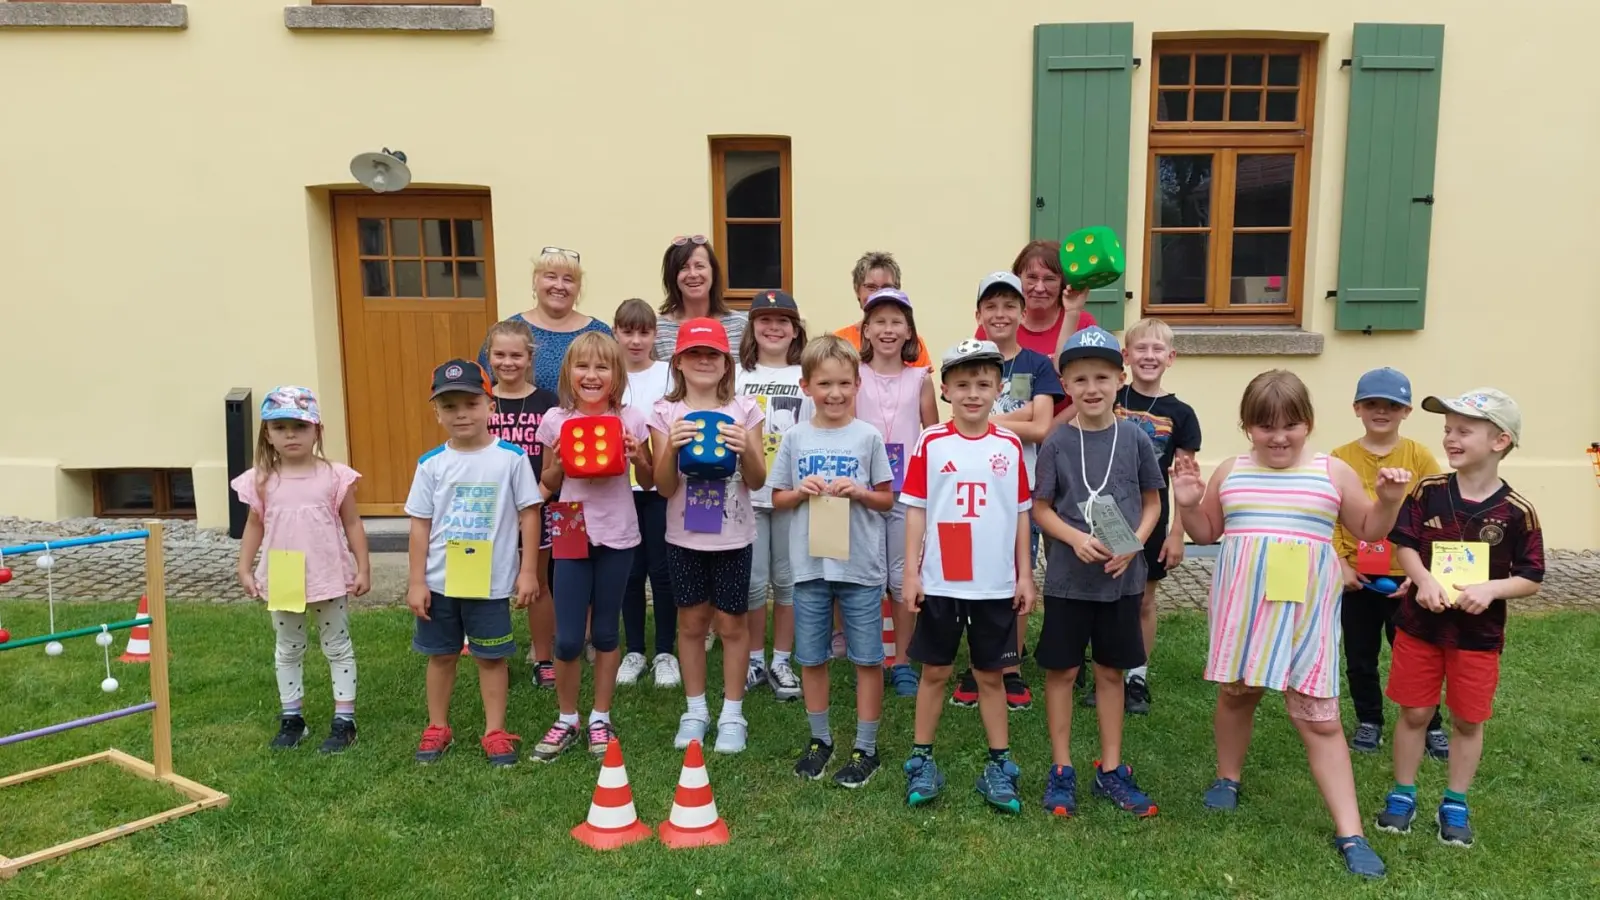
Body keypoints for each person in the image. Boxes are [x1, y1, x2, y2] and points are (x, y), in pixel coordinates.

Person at [1171, 369, 1409, 879]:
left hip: (1305, 613)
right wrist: (1187, 505)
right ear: (1246, 427)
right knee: (1237, 693)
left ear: (1309, 424)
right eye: (1265, 426)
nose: (1278, 437)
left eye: (1290, 425)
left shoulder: (1333, 471)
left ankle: (1351, 832)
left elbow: (1368, 528)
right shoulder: (1231, 470)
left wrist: (1388, 500)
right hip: (1244, 607)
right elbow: (1207, 531)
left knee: (1319, 717)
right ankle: (1227, 777)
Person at [1375, 389, 1543, 850]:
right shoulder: (1428, 492)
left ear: (1500, 440)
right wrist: (1422, 578)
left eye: (1463, 430)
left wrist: (1492, 589)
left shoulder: (1517, 512)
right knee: (1415, 711)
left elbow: (1531, 575)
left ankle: (1455, 800)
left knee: (1468, 720)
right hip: (1420, 628)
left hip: (1477, 637)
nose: (1450, 437)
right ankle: (1403, 792)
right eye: (1447, 429)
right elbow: (1404, 543)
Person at [1032, 326, 1164, 818]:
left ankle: (1111, 768)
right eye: (1081, 378)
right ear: (1065, 382)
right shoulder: (1057, 442)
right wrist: (1074, 537)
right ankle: (1062, 767)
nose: (1092, 388)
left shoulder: (1134, 438)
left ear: (1119, 378)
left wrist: (1133, 544)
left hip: (1120, 579)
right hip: (1070, 579)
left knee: (1111, 670)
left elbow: (1152, 502)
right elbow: (1041, 508)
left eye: (1102, 377)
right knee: (1063, 670)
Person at [900, 339, 1034, 812]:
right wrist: (912, 573)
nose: (973, 393)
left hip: (994, 582)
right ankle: (920, 758)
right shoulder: (931, 441)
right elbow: (916, 510)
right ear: (946, 390)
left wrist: (1025, 575)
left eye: (983, 384)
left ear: (999, 388)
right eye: (962, 384)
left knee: (991, 674)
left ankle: (999, 763)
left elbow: (1021, 512)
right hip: (939, 581)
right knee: (934, 670)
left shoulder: (1009, 444)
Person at [770, 335, 895, 787]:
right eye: (824, 384)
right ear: (806, 386)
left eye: (844, 383)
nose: (835, 393)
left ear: (858, 384)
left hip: (859, 568)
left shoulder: (868, 436)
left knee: (866, 659)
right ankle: (820, 739)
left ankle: (866, 747)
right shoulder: (796, 437)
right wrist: (799, 492)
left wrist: (860, 492)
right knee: (812, 657)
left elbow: (886, 499)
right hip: (810, 569)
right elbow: (778, 497)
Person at [405, 360, 542, 766]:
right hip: (442, 582)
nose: (461, 414)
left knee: (491, 657)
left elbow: (529, 513)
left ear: (491, 406)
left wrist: (529, 569)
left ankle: (495, 731)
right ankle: (437, 727)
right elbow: (420, 525)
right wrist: (417, 582)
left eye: (470, 402)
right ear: (436, 413)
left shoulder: (511, 459)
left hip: (491, 582)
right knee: (442, 654)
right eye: (449, 407)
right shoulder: (431, 464)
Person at [530, 332, 654, 761]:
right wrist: (561, 464)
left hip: (617, 528)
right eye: (583, 366)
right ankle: (567, 718)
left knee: (604, 631)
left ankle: (600, 716)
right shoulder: (555, 420)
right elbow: (546, 484)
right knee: (566, 639)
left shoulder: (632, 419)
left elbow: (652, 481)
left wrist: (639, 457)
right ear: (569, 373)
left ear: (617, 375)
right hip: (570, 524)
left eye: (603, 367)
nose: (592, 375)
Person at [650, 317, 766, 754]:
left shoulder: (745, 409)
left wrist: (746, 448)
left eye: (712, 354)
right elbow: (663, 487)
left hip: (733, 536)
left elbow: (756, 479)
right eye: (694, 354)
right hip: (684, 537)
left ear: (726, 363)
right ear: (678, 361)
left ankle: (732, 712)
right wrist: (673, 449)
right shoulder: (665, 412)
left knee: (733, 625)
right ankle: (695, 709)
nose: (703, 361)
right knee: (691, 622)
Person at [233, 386, 370, 754]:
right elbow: (254, 525)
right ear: (268, 434)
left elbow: (353, 523)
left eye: (299, 426)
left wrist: (363, 566)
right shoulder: (261, 480)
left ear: (317, 431)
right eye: (280, 428)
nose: (290, 435)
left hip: (326, 572)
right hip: (284, 575)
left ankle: (345, 719)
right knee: (288, 647)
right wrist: (245, 567)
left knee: (337, 646)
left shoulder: (334, 477)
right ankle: (292, 717)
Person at [954, 271, 1062, 713]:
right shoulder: (966, 359)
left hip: (1018, 492)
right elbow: (959, 420)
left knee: (1017, 573)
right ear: (978, 313)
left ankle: (1010, 665)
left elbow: (1040, 427)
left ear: (1023, 312)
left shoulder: (1036, 365)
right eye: (991, 306)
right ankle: (978, 660)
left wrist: (984, 421)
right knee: (971, 576)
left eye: (1009, 306)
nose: (1000, 314)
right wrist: (998, 422)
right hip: (968, 491)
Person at [1329, 368, 1447, 756]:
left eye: (1392, 405)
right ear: (1357, 408)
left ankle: (1430, 723)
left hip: (1406, 578)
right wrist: (1342, 565)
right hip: (1358, 579)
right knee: (1360, 656)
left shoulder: (1419, 456)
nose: (1382, 412)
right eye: (1372, 404)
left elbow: (1438, 516)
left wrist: (1421, 574)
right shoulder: (1339, 458)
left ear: (1407, 411)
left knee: (1416, 656)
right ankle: (1369, 720)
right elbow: (1326, 515)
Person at [1103, 317, 1202, 716]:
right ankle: (1106, 670)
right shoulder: (1111, 398)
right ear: (1125, 356)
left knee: (1143, 597)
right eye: (1140, 348)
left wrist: (1178, 532)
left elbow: (1185, 479)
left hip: (1152, 513)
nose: (1149, 355)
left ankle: (1137, 676)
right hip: (1108, 510)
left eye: (1157, 349)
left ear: (1171, 357)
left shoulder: (1182, 414)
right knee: (1106, 595)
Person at [854, 288, 939, 698]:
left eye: (896, 322)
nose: (888, 330)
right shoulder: (853, 376)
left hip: (907, 496)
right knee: (865, 578)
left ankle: (903, 660)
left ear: (909, 330)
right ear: (865, 329)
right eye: (879, 322)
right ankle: (870, 655)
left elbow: (932, 437)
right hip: (862, 493)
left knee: (902, 577)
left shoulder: (919, 379)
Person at [736, 289, 809, 701]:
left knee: (787, 580)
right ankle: (753, 658)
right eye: (765, 320)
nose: (774, 327)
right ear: (753, 327)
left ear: (795, 328)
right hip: (745, 492)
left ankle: (782, 658)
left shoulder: (804, 373)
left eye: (783, 320)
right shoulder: (738, 375)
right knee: (752, 581)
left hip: (791, 494)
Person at [483, 319, 561, 690]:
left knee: (539, 584)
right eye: (500, 354)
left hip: (539, 506)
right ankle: (490, 652)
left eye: (516, 355)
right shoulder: (480, 401)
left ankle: (543, 658)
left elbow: (554, 465)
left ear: (530, 357)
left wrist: (531, 503)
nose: (508, 362)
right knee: (490, 585)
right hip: (489, 512)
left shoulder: (548, 402)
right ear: (489, 357)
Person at [614, 298, 681, 688]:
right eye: (628, 331)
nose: (636, 340)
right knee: (630, 572)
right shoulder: (608, 374)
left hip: (659, 487)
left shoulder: (668, 375)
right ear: (616, 333)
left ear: (655, 334)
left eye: (644, 332)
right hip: (617, 489)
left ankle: (665, 652)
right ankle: (635, 650)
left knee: (663, 571)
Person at [974, 240, 1096, 425]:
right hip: (1006, 439)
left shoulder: (1083, 323)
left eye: (1050, 279)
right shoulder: (996, 326)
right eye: (1031, 278)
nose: (1039, 288)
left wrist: (1050, 432)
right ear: (1018, 279)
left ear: (1063, 282)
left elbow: (1092, 389)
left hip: (1069, 433)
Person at [479, 247, 611, 393]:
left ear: (578, 287)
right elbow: (482, 385)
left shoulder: (600, 332)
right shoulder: (509, 330)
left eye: (568, 279)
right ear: (535, 281)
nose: (559, 286)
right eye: (551, 277)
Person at [653, 235, 747, 365]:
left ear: (713, 272)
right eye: (683, 268)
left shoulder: (740, 325)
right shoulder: (658, 330)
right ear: (672, 277)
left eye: (699, 266)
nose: (693, 274)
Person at [834, 251, 931, 367]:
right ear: (857, 290)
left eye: (887, 287)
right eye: (871, 287)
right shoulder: (839, 341)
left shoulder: (913, 344)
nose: (879, 293)